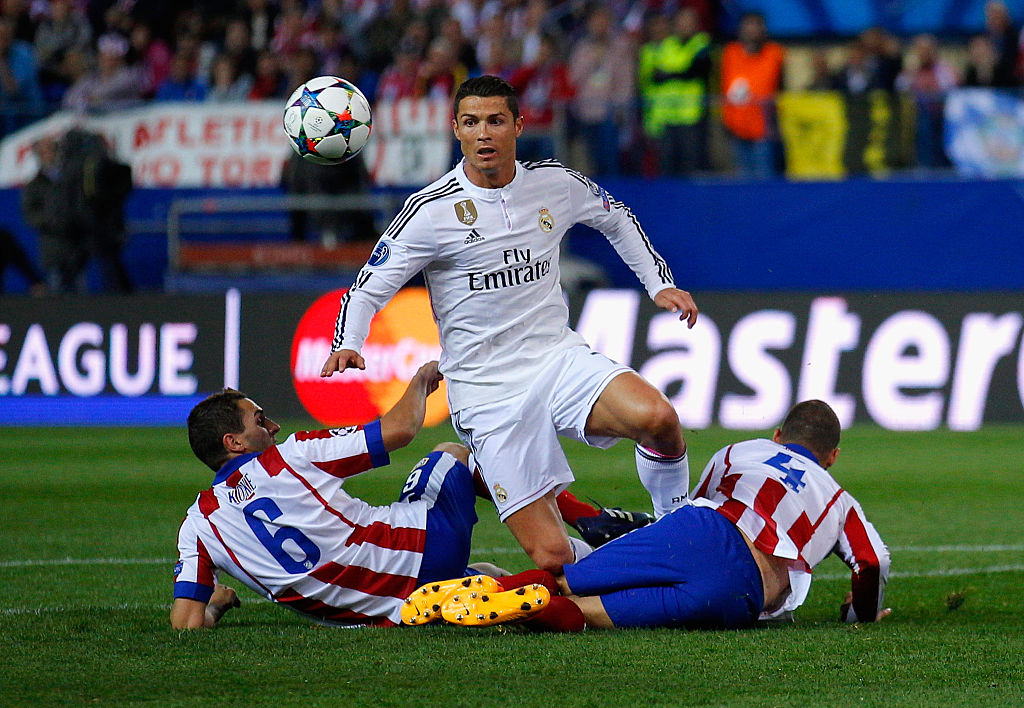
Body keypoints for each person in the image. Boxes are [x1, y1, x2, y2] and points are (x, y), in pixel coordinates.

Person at [321, 75, 698, 576]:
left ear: (518, 125)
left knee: (659, 418)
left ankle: (676, 531)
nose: (484, 134)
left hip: (555, 359)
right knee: (554, 560)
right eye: (472, 122)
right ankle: (618, 558)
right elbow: (368, 286)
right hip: (486, 391)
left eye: (496, 121)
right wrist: (348, 341)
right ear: (455, 128)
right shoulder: (429, 212)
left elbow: (616, 216)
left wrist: (658, 284)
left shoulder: (554, 182)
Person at [410, 400, 891, 632]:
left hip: (702, 530)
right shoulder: (839, 498)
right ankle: (519, 612)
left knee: (567, 579)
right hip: (740, 592)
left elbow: (691, 508)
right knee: (585, 616)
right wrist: (860, 614)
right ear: (832, 457)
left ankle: (493, 587)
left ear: (779, 433)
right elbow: (872, 563)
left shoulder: (742, 450)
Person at [171, 361, 485, 629]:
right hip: (428, 546)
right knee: (451, 452)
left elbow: (185, 623)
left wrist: (215, 605)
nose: (275, 426)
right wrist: (419, 382)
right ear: (234, 443)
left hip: (384, 610)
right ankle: (528, 515)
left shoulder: (198, 524)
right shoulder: (291, 456)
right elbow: (400, 429)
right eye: (260, 420)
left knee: (484, 574)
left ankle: (480, 583)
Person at [637, 8, 712, 176]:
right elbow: (655, 75)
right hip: (666, 118)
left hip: (691, 116)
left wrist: (671, 74)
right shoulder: (666, 46)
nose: (685, 25)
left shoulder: (701, 43)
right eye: (681, 21)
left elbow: (696, 70)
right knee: (666, 165)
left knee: (691, 165)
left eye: (689, 21)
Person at [720, 12, 785, 178]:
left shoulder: (774, 53)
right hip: (736, 127)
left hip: (764, 129)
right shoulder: (730, 53)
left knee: (764, 179)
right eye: (748, 25)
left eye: (756, 25)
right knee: (742, 180)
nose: (752, 30)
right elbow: (723, 87)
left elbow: (780, 87)